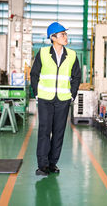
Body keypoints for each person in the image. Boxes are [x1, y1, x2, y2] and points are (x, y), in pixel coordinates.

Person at [30, 22, 81, 176]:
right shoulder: (43, 53)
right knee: (44, 131)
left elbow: (76, 77)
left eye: (65, 34)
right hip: (45, 99)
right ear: (53, 37)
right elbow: (34, 74)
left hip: (63, 100)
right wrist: (37, 93)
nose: (66, 37)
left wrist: (72, 95)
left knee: (58, 132)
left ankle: (53, 164)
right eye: (62, 34)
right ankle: (42, 165)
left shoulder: (71, 55)